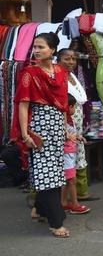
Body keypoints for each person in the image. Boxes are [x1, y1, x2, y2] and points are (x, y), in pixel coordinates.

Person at [12, 32, 70, 238]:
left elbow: (63, 105)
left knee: (53, 169)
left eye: (41, 47)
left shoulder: (61, 72)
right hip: (40, 125)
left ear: (52, 50)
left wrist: (64, 129)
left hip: (56, 125)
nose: (36, 51)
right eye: (34, 47)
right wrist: (26, 133)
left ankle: (39, 208)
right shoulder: (30, 73)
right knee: (48, 173)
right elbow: (23, 104)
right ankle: (56, 222)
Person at [57, 48, 99, 201]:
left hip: (76, 125)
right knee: (63, 158)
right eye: (66, 58)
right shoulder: (56, 76)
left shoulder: (72, 76)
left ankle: (80, 193)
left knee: (78, 154)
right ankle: (47, 198)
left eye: (73, 59)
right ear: (58, 59)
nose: (71, 62)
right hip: (65, 125)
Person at [60, 95, 90, 214]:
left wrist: (78, 137)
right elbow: (65, 134)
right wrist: (71, 137)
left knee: (67, 180)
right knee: (71, 179)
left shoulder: (68, 119)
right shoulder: (64, 119)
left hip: (69, 153)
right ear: (70, 107)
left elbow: (70, 134)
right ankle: (75, 204)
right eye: (74, 107)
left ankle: (64, 203)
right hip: (67, 153)